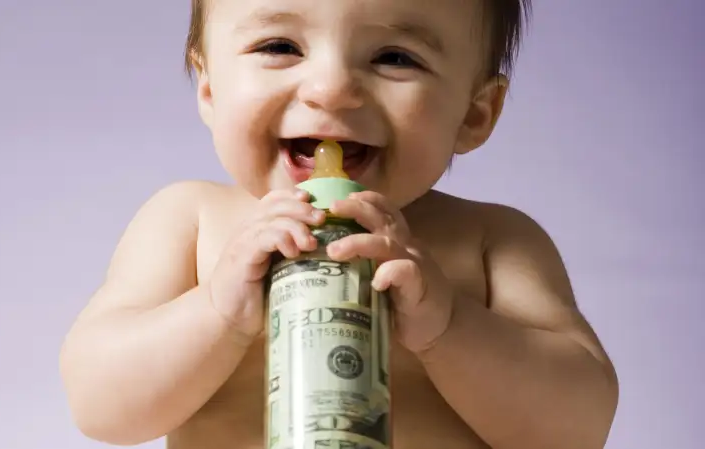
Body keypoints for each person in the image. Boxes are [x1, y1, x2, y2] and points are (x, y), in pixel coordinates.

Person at [59, 0, 619, 448]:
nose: (330, 89)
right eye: (279, 46)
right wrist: (217, 313)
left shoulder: (492, 241)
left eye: (395, 57)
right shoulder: (192, 220)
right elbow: (101, 407)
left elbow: (578, 427)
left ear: (474, 113)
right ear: (209, 88)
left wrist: (449, 327)